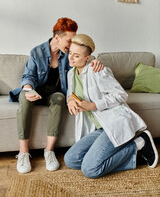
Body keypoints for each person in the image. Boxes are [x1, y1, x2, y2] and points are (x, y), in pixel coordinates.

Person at [9, 18, 103, 174]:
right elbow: (29, 75)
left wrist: (96, 60)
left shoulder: (68, 54)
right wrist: (28, 88)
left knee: (59, 98)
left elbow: (84, 57)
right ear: (57, 37)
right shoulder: (37, 52)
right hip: (36, 91)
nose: (72, 44)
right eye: (69, 40)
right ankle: (23, 153)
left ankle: (49, 151)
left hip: (54, 93)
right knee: (25, 100)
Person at [64, 34, 159, 178]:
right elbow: (70, 93)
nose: (70, 58)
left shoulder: (98, 71)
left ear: (88, 58)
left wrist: (93, 105)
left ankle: (139, 143)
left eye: (76, 56)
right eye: (70, 53)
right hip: (98, 128)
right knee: (71, 159)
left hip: (113, 121)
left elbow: (121, 94)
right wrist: (70, 99)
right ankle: (133, 154)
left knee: (90, 170)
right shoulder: (71, 73)